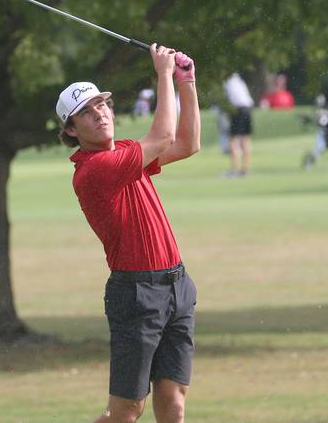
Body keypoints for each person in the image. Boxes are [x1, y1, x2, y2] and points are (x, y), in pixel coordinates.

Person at [56, 43, 200, 423]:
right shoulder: (94, 170)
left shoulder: (124, 153)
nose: (99, 114)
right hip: (137, 294)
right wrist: (164, 73)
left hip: (176, 286)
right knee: (125, 410)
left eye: (101, 105)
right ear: (71, 130)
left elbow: (187, 143)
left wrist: (186, 81)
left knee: (174, 402)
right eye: (85, 113)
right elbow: (164, 136)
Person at [223, 72, 254, 177]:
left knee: (234, 140)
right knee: (245, 139)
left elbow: (226, 100)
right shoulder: (239, 80)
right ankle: (245, 170)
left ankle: (234, 171)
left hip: (238, 110)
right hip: (248, 109)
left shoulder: (227, 81)